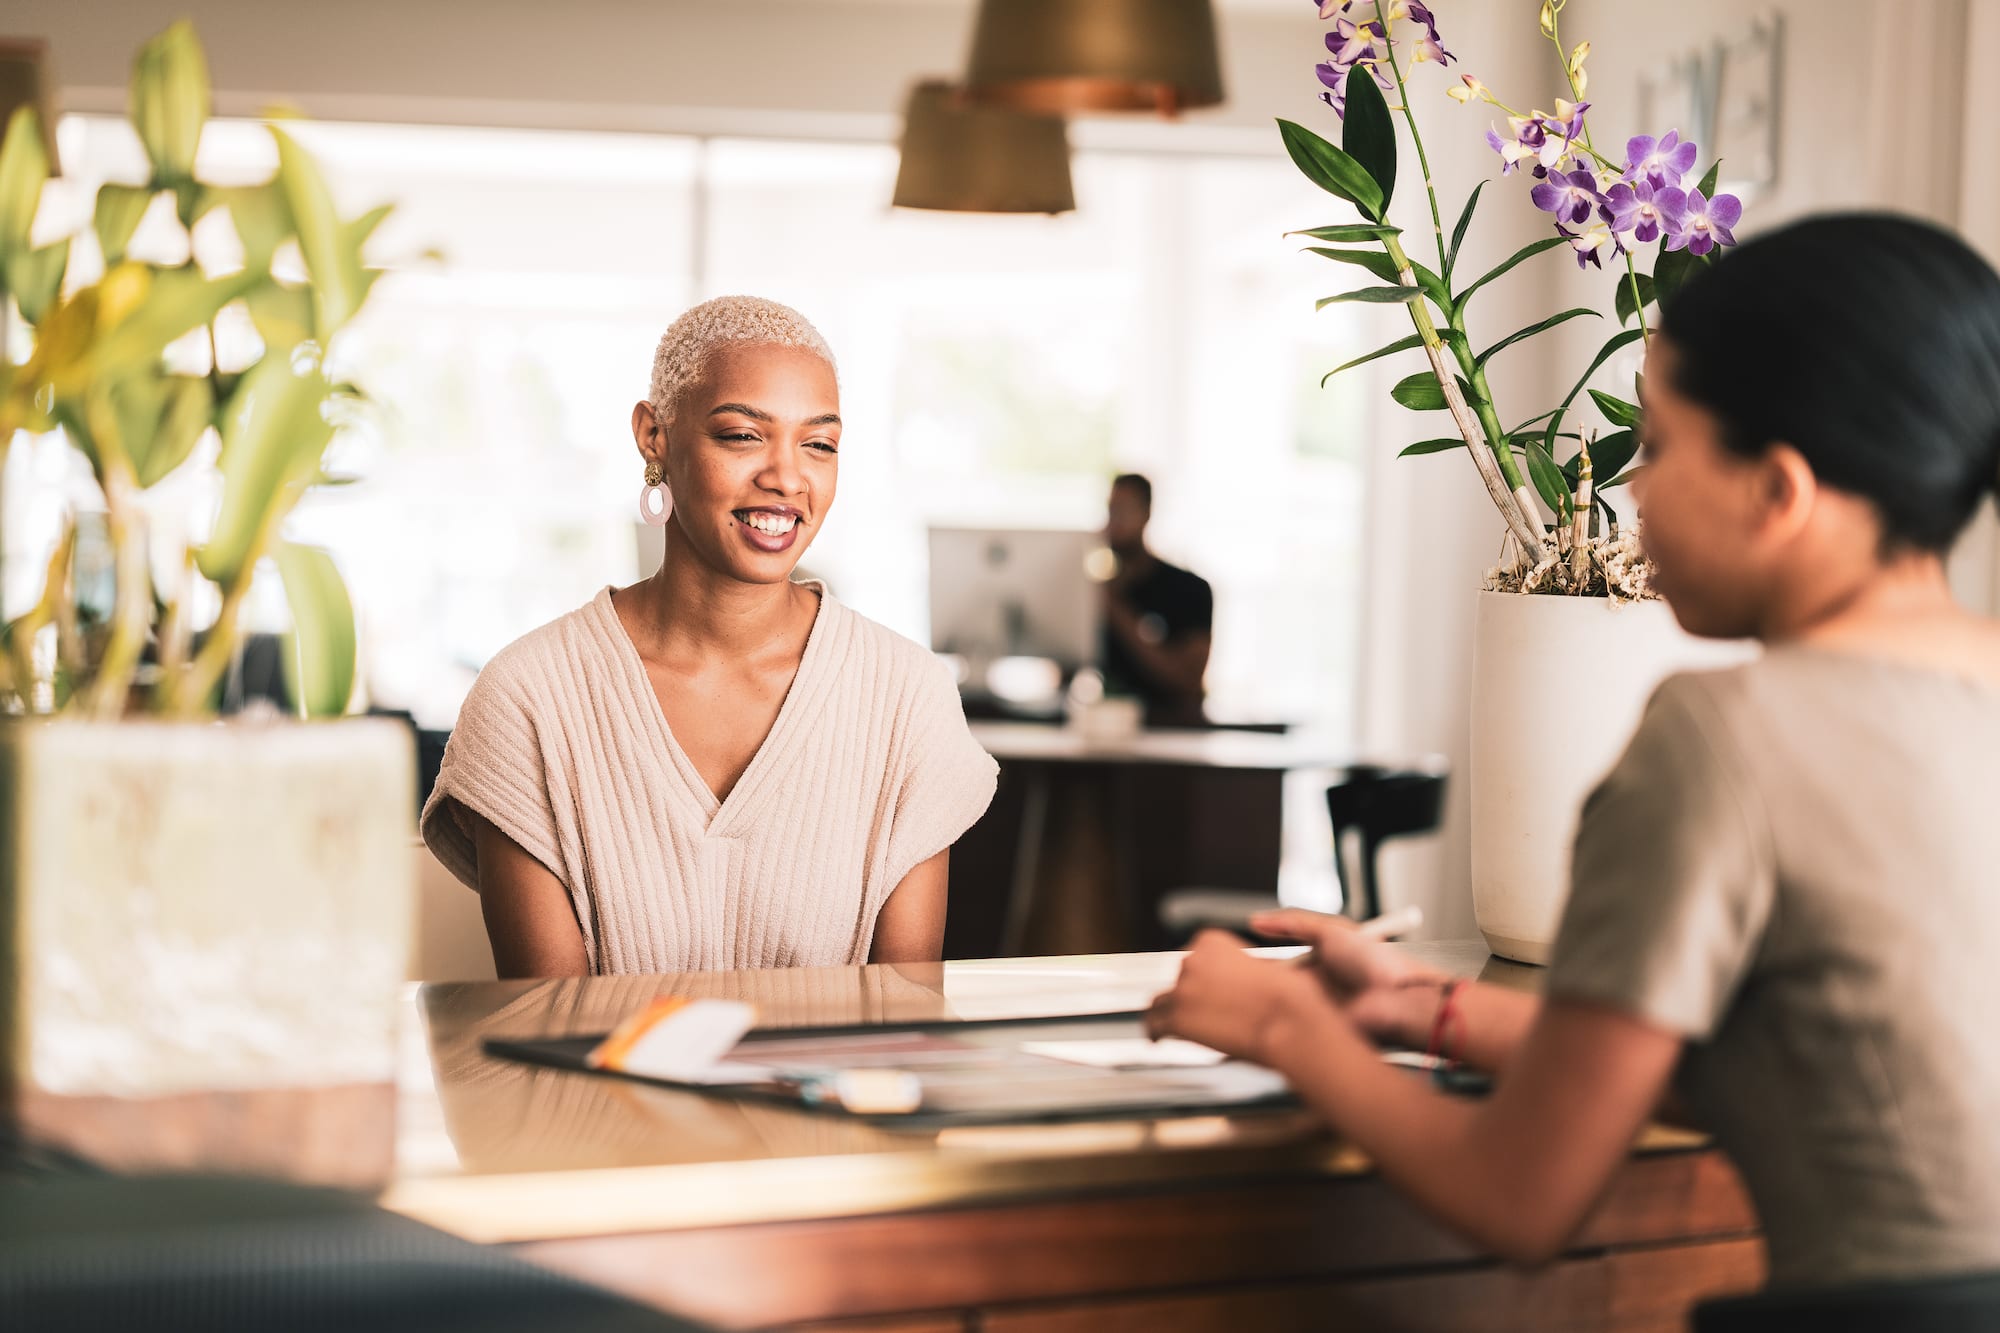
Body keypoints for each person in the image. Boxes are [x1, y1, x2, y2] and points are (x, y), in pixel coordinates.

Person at [1146, 214, 2000, 1289]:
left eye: (1657, 443)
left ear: (1775, 491)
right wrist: (1427, 1007)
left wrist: (1278, 1021)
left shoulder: (1722, 734)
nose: (1628, 488)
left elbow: (1519, 1195)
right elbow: (1815, 1073)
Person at [422, 296, 998, 977]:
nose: (786, 477)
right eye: (742, 435)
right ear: (654, 435)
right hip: (592, 1090)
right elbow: (550, 1028)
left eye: (819, 444)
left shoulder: (906, 697)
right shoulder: (530, 697)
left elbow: (900, 1020)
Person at [1099, 473, 1214, 726]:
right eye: (1110, 511)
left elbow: (1187, 680)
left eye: (1123, 511)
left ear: (1147, 513)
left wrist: (1116, 610)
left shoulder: (1190, 590)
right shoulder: (1096, 594)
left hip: (1173, 732)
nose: (1113, 523)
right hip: (1109, 728)